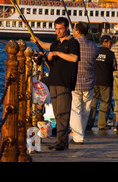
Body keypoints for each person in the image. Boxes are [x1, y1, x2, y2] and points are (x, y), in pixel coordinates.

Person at [34, 17, 80, 151]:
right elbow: (47, 47)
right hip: (53, 82)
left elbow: (74, 58)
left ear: (67, 28)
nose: (58, 31)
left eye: (60, 29)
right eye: (56, 29)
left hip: (64, 82)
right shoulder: (55, 43)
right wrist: (40, 47)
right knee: (57, 114)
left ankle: (62, 142)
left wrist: (57, 53)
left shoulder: (72, 42)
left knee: (63, 114)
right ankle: (60, 141)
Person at [70, 22, 98, 144]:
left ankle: (78, 136)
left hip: (76, 81)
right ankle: (79, 133)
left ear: (76, 31)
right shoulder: (93, 46)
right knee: (86, 110)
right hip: (90, 82)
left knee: (75, 109)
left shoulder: (73, 44)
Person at [87, 35, 116, 130]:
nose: (111, 45)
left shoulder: (94, 51)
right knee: (105, 103)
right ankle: (102, 125)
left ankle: (88, 124)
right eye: (110, 43)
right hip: (106, 82)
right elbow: (115, 67)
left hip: (93, 81)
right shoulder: (111, 54)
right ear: (105, 42)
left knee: (92, 104)